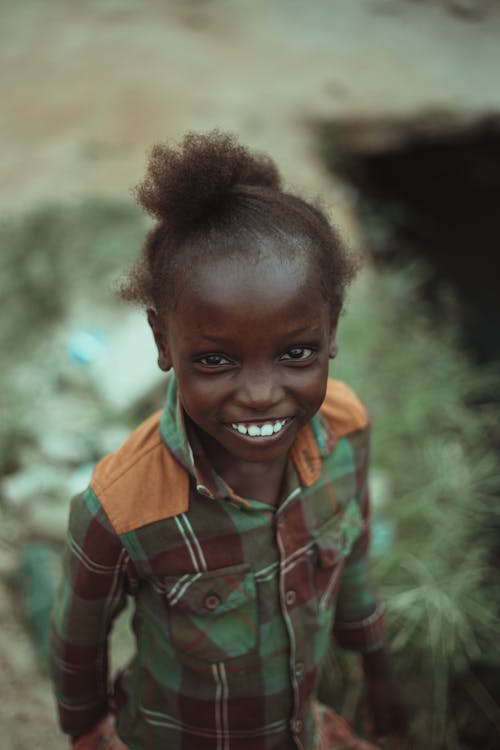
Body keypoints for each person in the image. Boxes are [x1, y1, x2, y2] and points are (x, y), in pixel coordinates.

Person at [50, 131, 407, 750]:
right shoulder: (121, 508)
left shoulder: (346, 430)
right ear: (164, 343)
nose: (262, 394)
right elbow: (77, 645)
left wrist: (380, 675)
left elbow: (353, 563)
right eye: (216, 361)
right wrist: (85, 733)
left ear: (332, 329)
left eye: (296, 353)